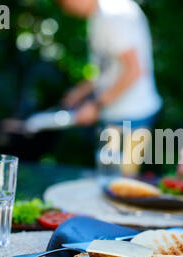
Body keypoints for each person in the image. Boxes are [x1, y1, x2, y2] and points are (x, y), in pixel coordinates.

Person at [57, 0, 162, 175]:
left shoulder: (114, 15)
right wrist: (80, 92)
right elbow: (106, 70)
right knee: (107, 178)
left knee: (121, 182)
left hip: (133, 116)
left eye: (63, 2)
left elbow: (134, 71)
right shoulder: (98, 17)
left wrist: (96, 105)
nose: (65, 8)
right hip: (114, 114)